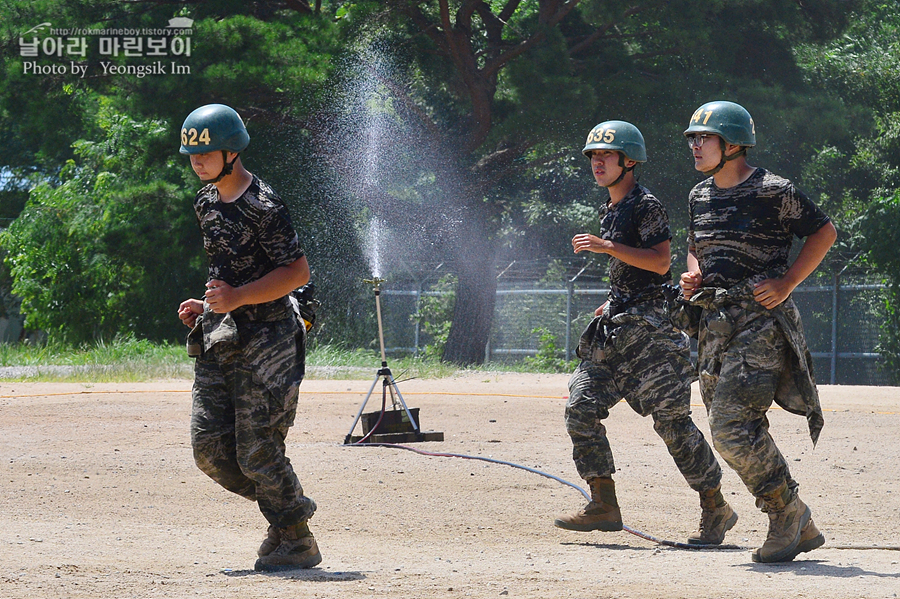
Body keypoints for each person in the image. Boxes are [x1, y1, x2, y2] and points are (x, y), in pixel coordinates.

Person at [555, 121, 735, 546]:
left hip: (653, 334)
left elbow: (659, 264)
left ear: (629, 161)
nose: (597, 162)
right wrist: (613, 296)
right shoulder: (611, 208)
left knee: (672, 423)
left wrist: (607, 247)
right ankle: (603, 503)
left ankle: (716, 507)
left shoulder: (645, 205)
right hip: (616, 328)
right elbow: (633, 274)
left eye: (606, 156)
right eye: (593, 156)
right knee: (580, 406)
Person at [679, 100, 837, 563]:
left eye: (703, 138)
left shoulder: (774, 190)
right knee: (731, 425)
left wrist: (787, 282)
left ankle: (784, 515)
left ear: (732, 144)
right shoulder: (698, 195)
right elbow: (695, 248)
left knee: (731, 429)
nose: (695, 145)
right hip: (714, 323)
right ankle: (799, 520)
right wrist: (695, 275)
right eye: (691, 138)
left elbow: (823, 232)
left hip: (760, 322)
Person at [176, 103, 320, 571]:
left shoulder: (264, 204)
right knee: (210, 451)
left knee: (258, 449)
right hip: (224, 334)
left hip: (270, 340)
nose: (197, 164)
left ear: (231, 152)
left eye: (205, 155)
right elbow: (225, 271)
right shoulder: (205, 203)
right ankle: (286, 512)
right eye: (192, 157)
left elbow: (297, 272)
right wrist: (210, 303)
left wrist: (237, 298)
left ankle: (296, 537)